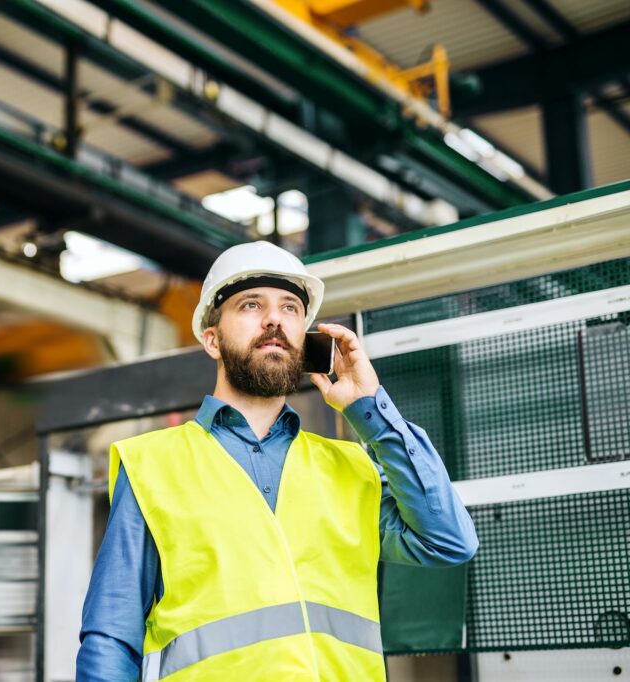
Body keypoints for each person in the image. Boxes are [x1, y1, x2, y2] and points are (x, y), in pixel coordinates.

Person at [76, 241, 478, 681]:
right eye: (251, 305)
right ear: (212, 340)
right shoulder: (152, 465)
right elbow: (111, 635)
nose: (274, 319)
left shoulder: (350, 466)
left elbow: (448, 542)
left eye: (290, 308)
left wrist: (372, 411)